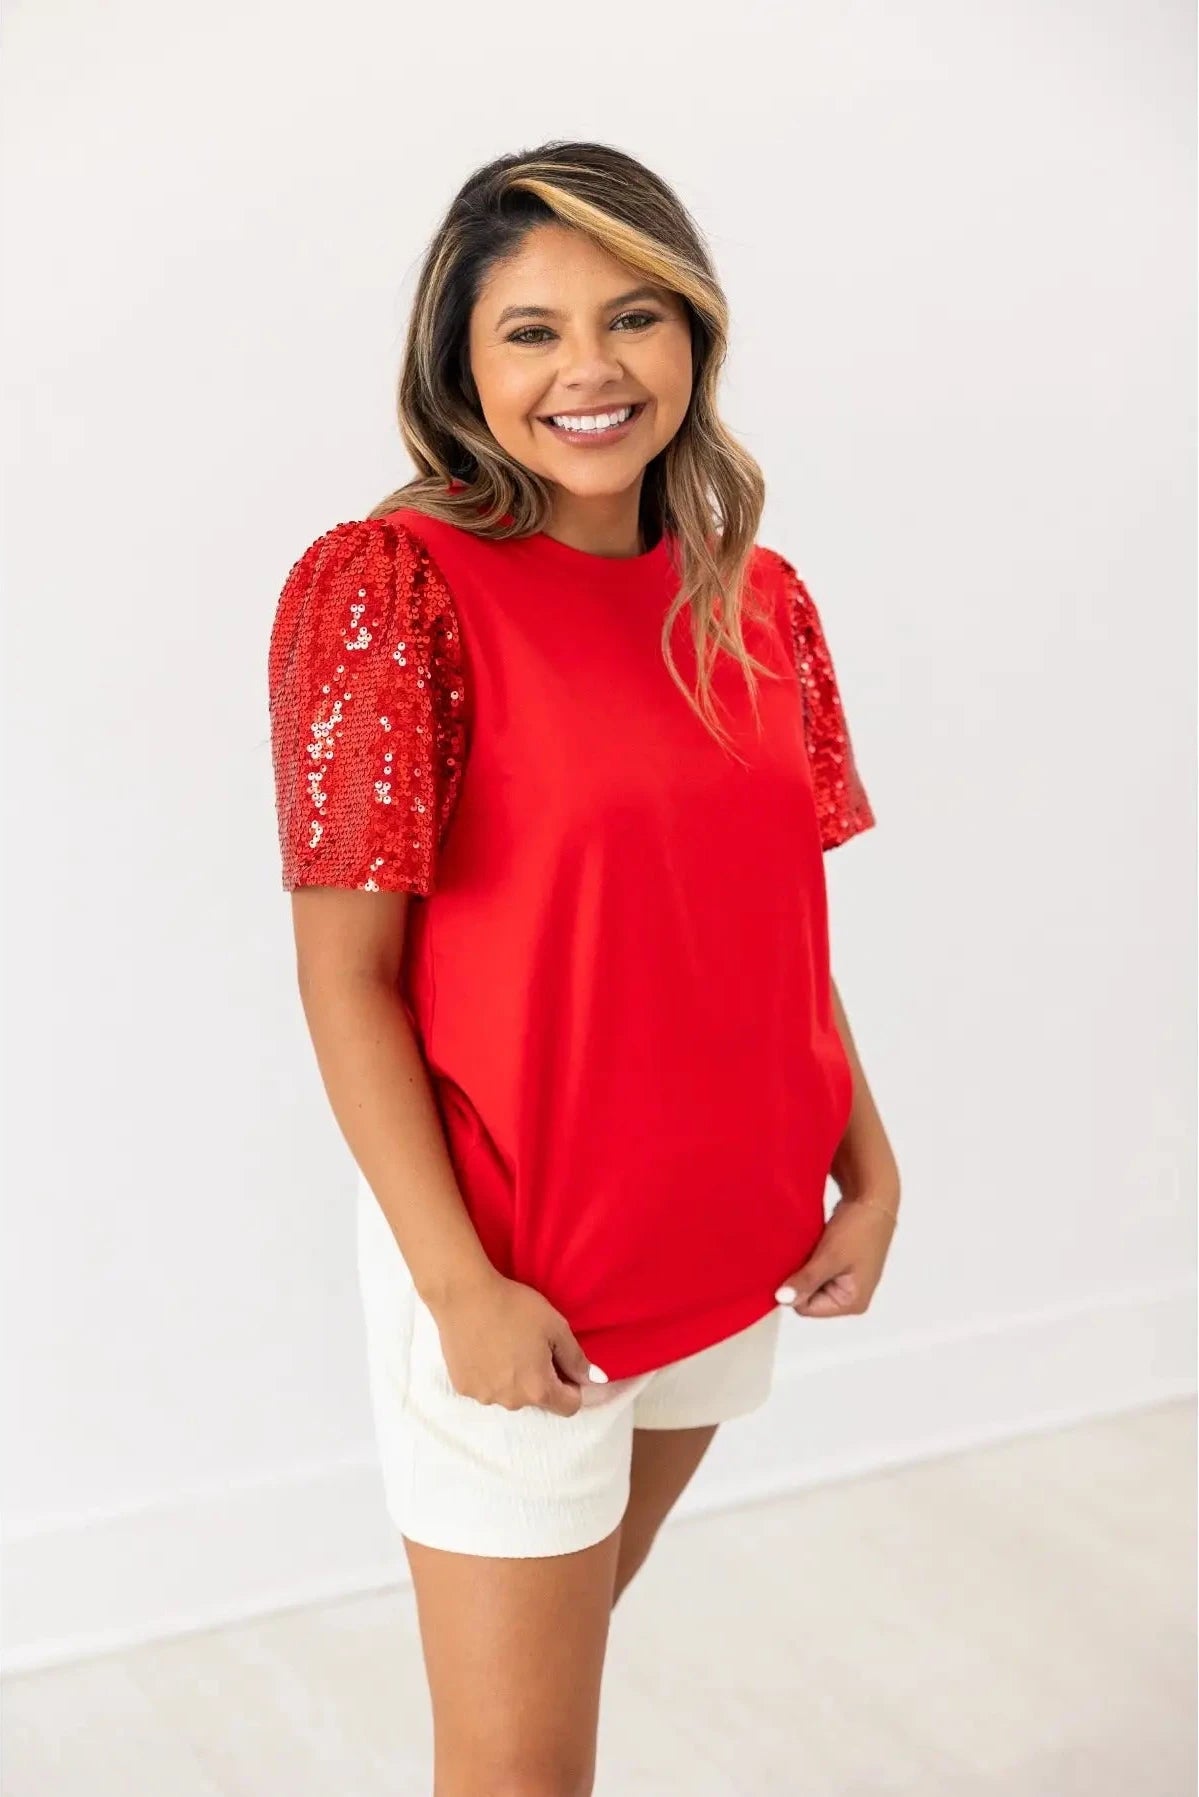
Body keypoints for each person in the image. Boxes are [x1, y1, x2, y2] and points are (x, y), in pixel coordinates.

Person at [267, 139, 901, 1797]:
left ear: (693, 333)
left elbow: (770, 930)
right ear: (460, 367)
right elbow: (345, 980)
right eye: (531, 330)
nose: (591, 368)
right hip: (518, 1276)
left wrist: (870, 1168)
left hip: (735, 1239)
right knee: (519, 1773)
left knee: (538, 1701)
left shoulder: (761, 597)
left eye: (633, 316)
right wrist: (458, 1290)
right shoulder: (391, 593)